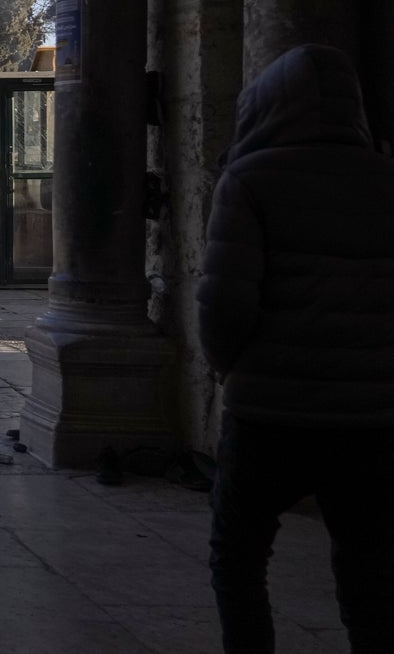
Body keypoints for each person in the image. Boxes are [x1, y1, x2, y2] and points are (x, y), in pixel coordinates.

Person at [198, 43, 394, 653]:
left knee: (238, 559)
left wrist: (228, 367)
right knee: (370, 572)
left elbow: (226, 302)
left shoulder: (250, 179)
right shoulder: (385, 179)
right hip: (371, 420)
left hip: (271, 415)